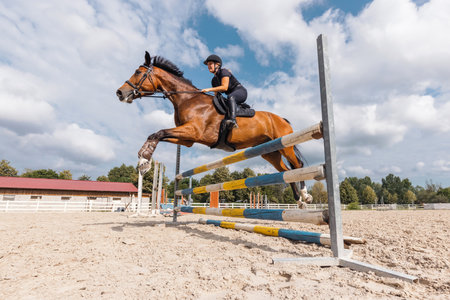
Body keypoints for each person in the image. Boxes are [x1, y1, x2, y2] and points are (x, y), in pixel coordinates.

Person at [201, 54, 247, 128]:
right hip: (231, 95)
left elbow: (224, 88)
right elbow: (216, 96)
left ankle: (233, 120)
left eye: (210, 64)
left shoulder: (224, 72)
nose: (208, 66)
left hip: (241, 92)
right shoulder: (214, 80)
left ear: (217, 64)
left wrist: (208, 89)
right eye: (207, 65)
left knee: (230, 97)